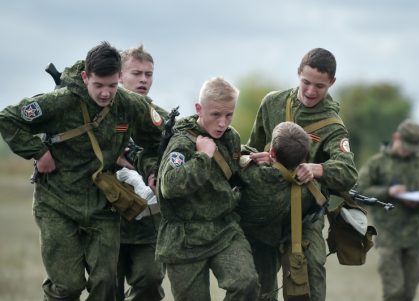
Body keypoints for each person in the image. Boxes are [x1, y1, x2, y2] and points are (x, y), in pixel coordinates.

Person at [0, 41, 164, 300]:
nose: (105, 93)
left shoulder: (130, 105)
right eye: (98, 85)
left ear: (120, 77)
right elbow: (8, 118)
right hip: (57, 203)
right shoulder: (61, 102)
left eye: (112, 85)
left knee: (106, 284)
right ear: (86, 77)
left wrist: (153, 170)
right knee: (67, 286)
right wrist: (38, 151)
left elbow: (157, 140)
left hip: (102, 205)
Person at [245, 48, 358, 301]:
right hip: (265, 209)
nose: (310, 91)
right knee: (260, 286)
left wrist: (316, 169)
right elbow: (251, 146)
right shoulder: (272, 103)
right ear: (298, 73)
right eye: (305, 82)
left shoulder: (332, 125)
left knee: (311, 274)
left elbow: (348, 172)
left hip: (306, 215)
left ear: (332, 83)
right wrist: (257, 158)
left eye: (319, 86)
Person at [156, 77, 260, 300]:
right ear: (199, 109)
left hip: (223, 229)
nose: (223, 123)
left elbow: (229, 170)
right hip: (185, 238)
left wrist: (248, 159)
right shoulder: (182, 142)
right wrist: (202, 156)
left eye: (229, 115)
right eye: (215, 115)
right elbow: (169, 186)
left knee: (246, 283)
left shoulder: (231, 137)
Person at [357, 119, 419, 301]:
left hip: (414, 237)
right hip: (388, 236)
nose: (407, 152)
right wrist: (387, 192)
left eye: (412, 149)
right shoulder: (377, 163)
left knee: (409, 291)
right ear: (396, 138)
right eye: (405, 147)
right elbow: (358, 191)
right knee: (394, 291)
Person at [237, 121, 313, 300]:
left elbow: (233, 157)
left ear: (271, 152)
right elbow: (321, 193)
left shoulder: (250, 175)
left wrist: (251, 157)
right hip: (269, 248)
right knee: (267, 293)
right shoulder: (304, 191)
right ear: (302, 160)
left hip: (240, 242)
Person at [115, 44, 167, 301]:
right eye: (136, 73)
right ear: (119, 76)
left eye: (148, 74)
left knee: (150, 281)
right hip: (107, 220)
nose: (144, 79)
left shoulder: (159, 118)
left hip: (147, 221)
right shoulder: (100, 114)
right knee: (106, 289)